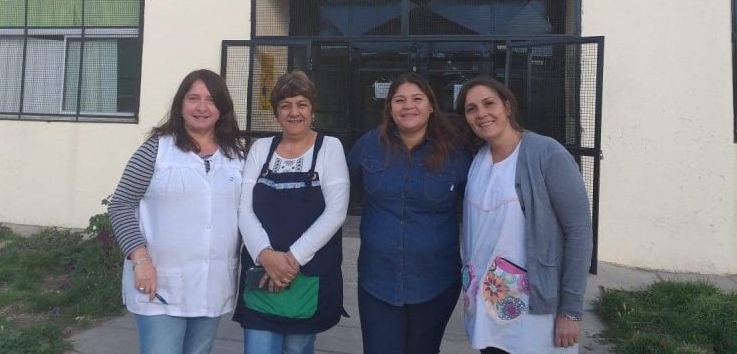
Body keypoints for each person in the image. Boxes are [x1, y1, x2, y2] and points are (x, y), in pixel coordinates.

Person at [108, 69, 246, 354]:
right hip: (159, 282)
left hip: (212, 284)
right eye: (193, 98)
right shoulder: (156, 150)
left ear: (222, 108)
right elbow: (121, 204)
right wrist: (140, 260)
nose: (201, 107)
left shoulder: (237, 156)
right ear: (180, 105)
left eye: (210, 100)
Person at [455, 76, 592, 354]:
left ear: (507, 106)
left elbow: (579, 232)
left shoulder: (546, 153)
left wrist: (571, 310)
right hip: (488, 309)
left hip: (535, 313)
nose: (481, 114)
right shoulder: (477, 160)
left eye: (489, 103)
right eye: (471, 109)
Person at [348, 72, 471, 354]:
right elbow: (337, 191)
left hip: (435, 283)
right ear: (390, 108)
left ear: (430, 106)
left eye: (417, 99)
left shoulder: (457, 151)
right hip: (377, 280)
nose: (408, 106)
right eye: (399, 100)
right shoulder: (368, 145)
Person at [234, 70, 350, 354]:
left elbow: (336, 211)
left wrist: (290, 260)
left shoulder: (329, 148)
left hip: (307, 275)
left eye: (301, 104)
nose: (294, 112)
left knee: (298, 349)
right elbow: (244, 208)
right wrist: (265, 255)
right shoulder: (261, 149)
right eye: (286, 105)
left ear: (312, 109)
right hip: (261, 274)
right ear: (276, 112)